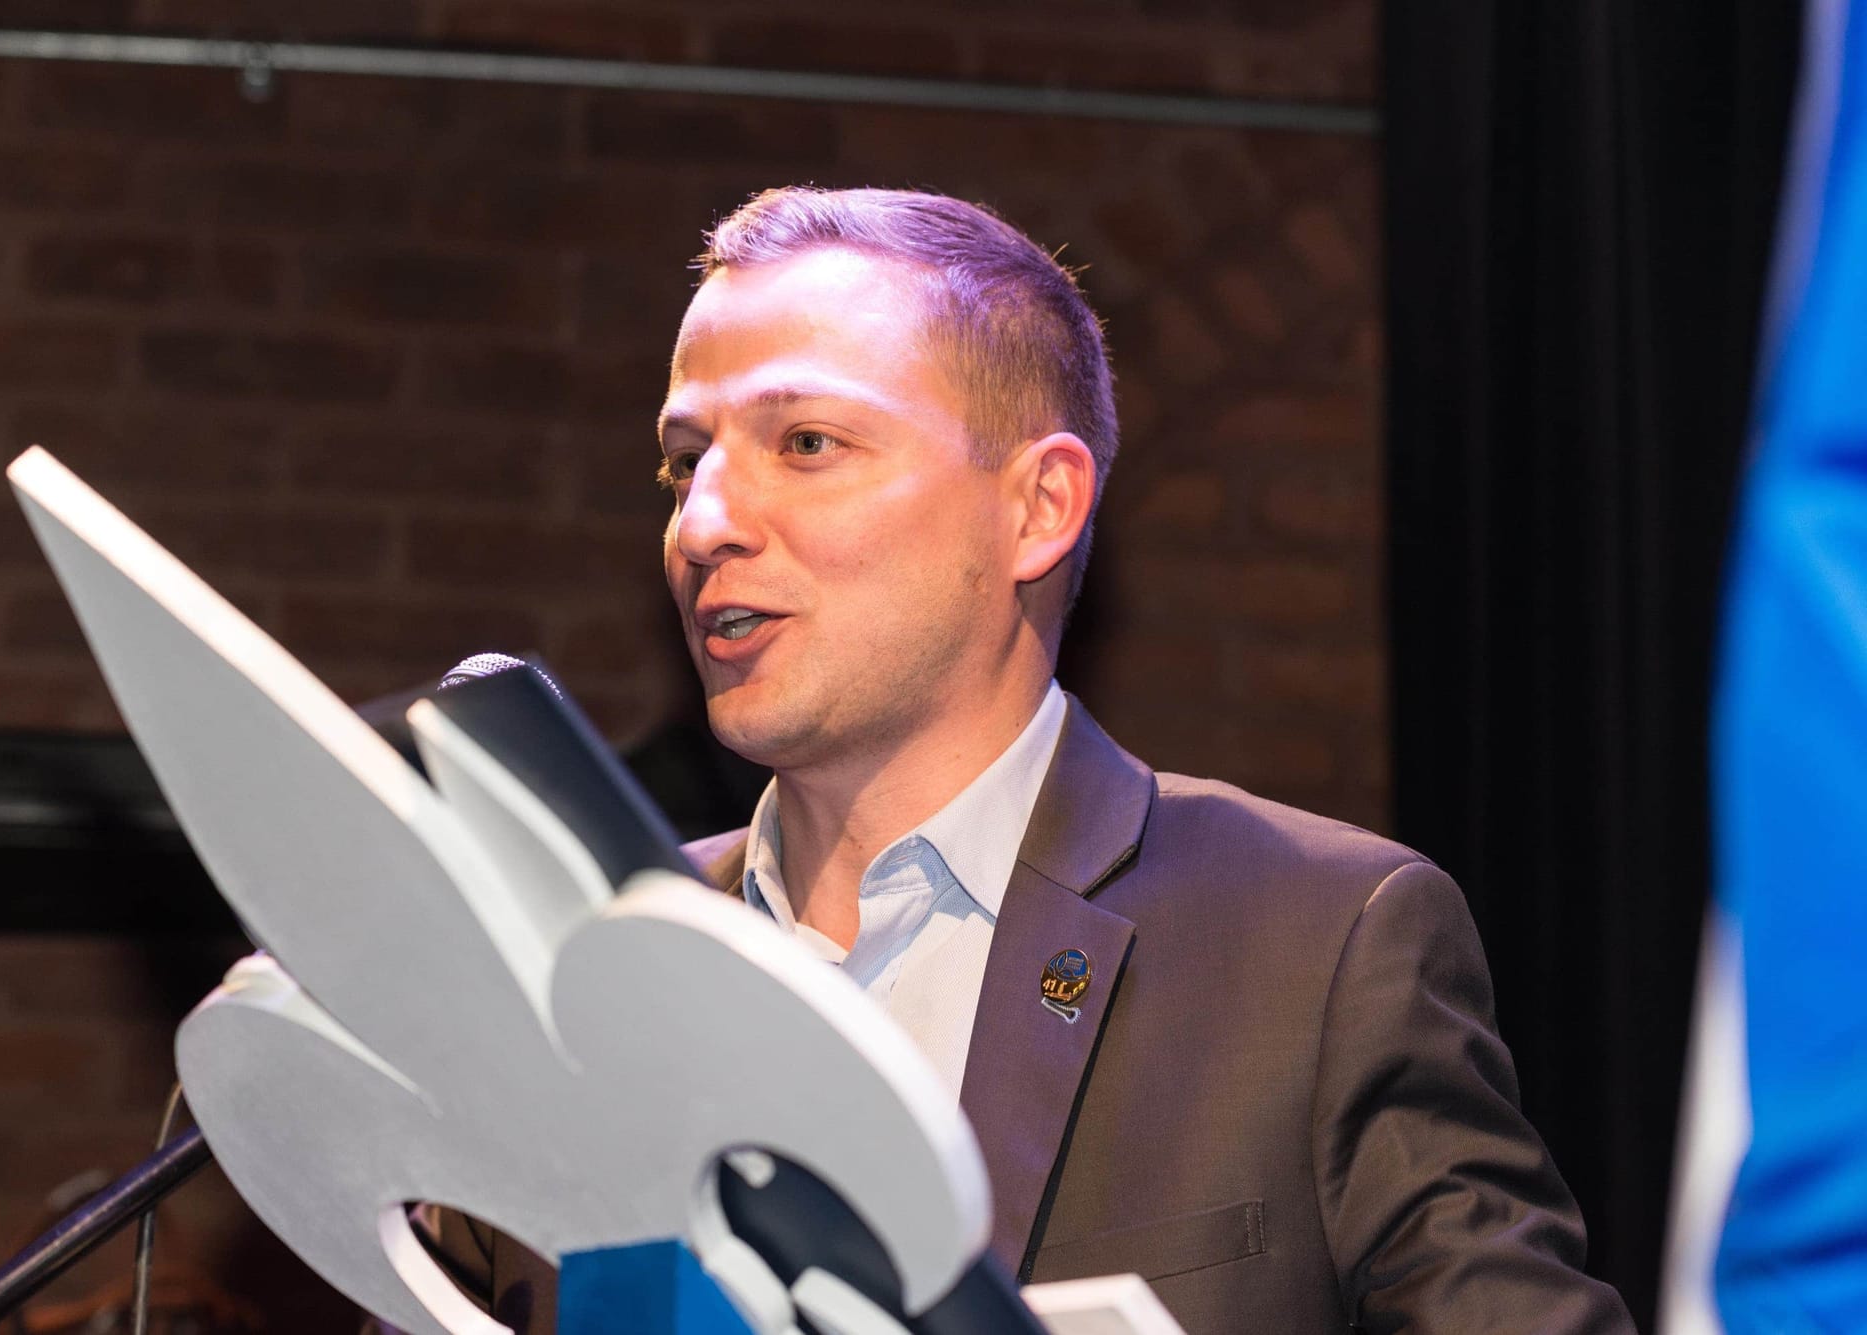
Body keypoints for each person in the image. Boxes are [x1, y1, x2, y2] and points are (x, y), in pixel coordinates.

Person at [420, 186, 1638, 1333]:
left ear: (1038, 507)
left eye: (804, 442)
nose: (703, 524)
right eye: (686, 461)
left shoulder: (1316, 948)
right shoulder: (572, 964)